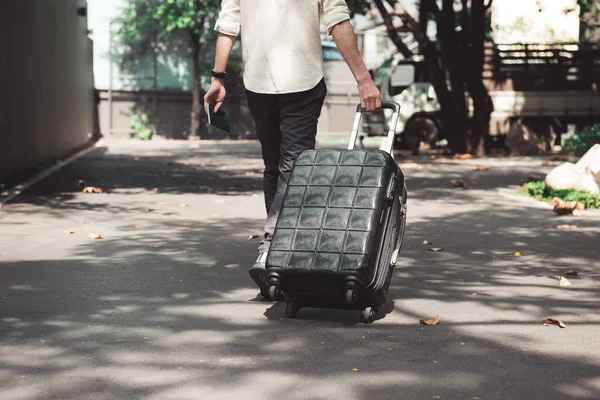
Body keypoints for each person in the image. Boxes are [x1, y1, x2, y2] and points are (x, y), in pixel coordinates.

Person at [204, 0, 382, 299]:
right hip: (284, 80)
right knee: (286, 168)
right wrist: (364, 79)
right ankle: (278, 251)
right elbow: (337, 21)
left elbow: (228, 25)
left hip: (274, 81)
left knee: (284, 167)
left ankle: (273, 248)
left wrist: (218, 78)